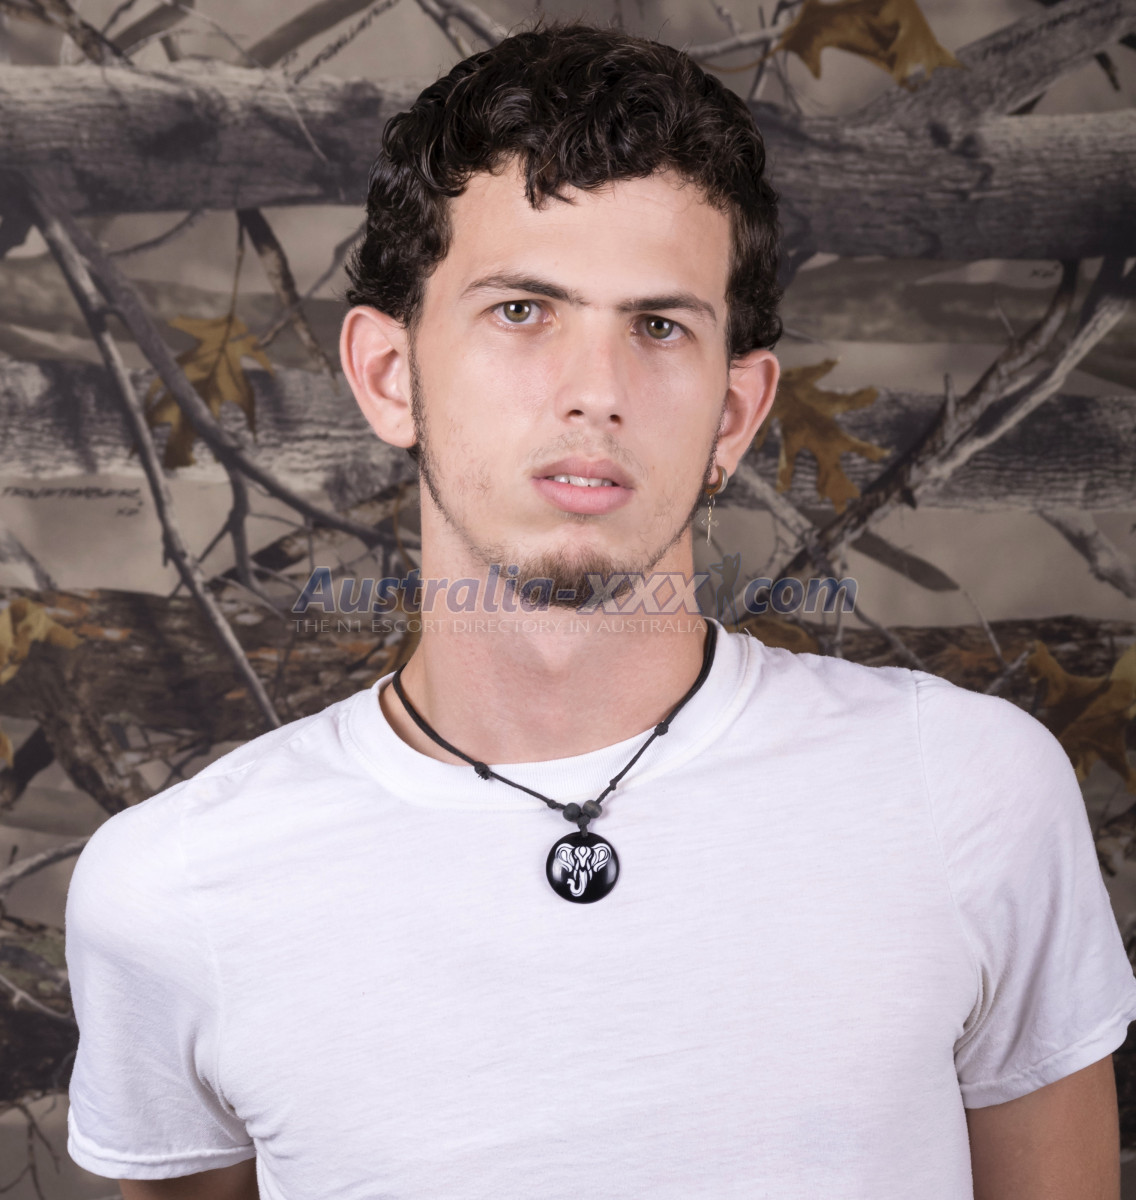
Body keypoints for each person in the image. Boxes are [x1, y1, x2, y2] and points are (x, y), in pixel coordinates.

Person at [64, 22, 1136, 1200]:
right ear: (386, 376)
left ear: (734, 414)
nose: (595, 393)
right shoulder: (172, 889)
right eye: (522, 311)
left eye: (657, 326)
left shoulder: (969, 792)